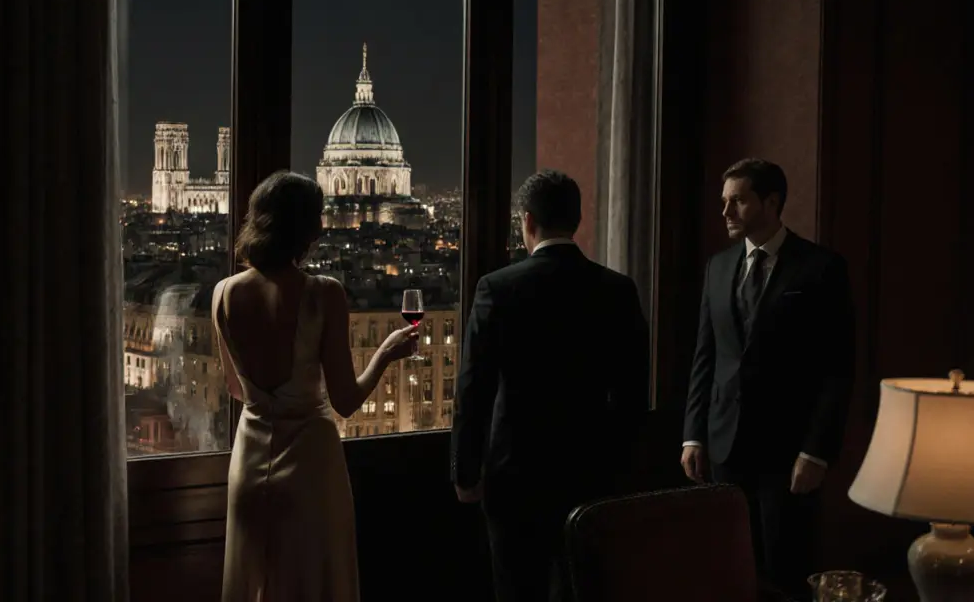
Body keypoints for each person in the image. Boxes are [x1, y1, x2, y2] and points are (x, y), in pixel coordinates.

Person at [214, 170, 418, 602]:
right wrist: (384, 352)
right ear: (309, 227)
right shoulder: (324, 293)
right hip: (311, 467)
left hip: (248, 463)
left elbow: (235, 389)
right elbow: (345, 401)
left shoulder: (223, 293)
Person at [451, 169, 651, 602]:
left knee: (518, 590)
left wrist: (466, 473)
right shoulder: (617, 290)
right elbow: (634, 394)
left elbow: (474, 389)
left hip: (514, 475)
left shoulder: (498, 288)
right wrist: (620, 467)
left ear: (527, 221)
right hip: (592, 473)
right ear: (576, 220)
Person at [681, 158, 854, 600]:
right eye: (724, 202)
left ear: (771, 202)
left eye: (737, 201)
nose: (726, 213)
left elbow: (838, 369)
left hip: (788, 450)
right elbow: (706, 356)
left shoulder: (820, 267)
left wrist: (816, 450)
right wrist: (692, 436)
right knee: (729, 565)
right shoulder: (718, 267)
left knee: (785, 569)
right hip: (723, 445)